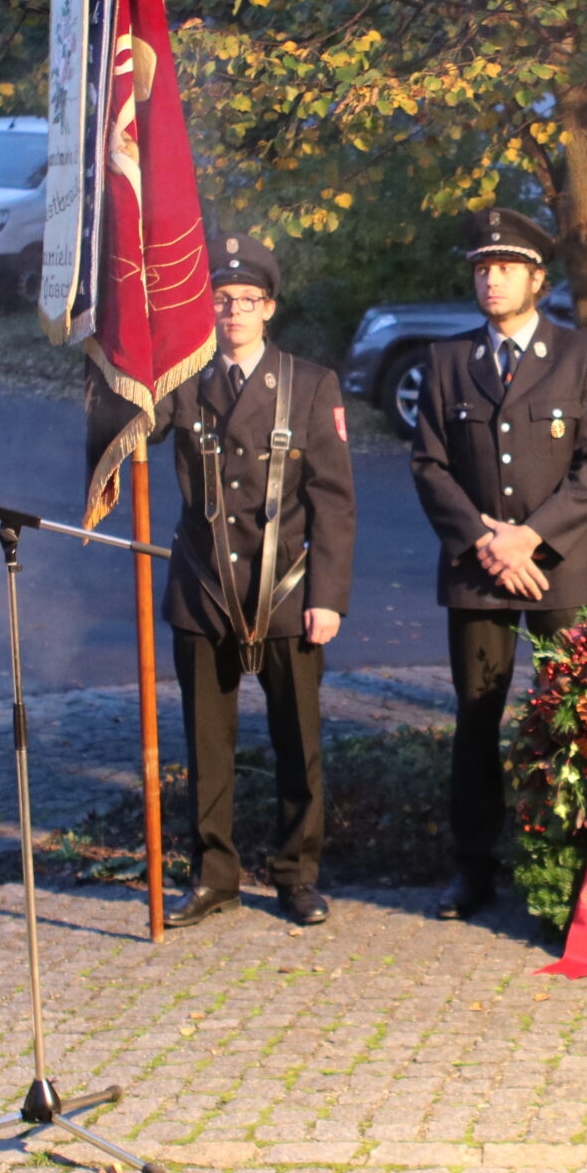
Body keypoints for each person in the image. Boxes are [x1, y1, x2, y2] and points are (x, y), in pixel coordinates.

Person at [411, 207, 587, 921]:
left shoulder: (580, 355)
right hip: (478, 571)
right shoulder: (447, 362)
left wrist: (529, 538)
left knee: (572, 716)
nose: (491, 279)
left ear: (537, 276)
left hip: (558, 567)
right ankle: (474, 867)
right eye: (481, 267)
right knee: (477, 719)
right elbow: (430, 466)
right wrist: (485, 540)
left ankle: (572, 860)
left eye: (504, 267)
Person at [155, 235, 356, 930]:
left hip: (286, 593)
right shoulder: (185, 380)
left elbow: (333, 499)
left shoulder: (309, 384)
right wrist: (120, 355)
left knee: (297, 741)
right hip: (204, 588)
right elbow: (134, 423)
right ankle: (214, 876)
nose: (233, 311)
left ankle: (297, 875)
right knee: (206, 746)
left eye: (247, 300)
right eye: (222, 299)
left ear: (270, 307)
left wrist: (327, 595)